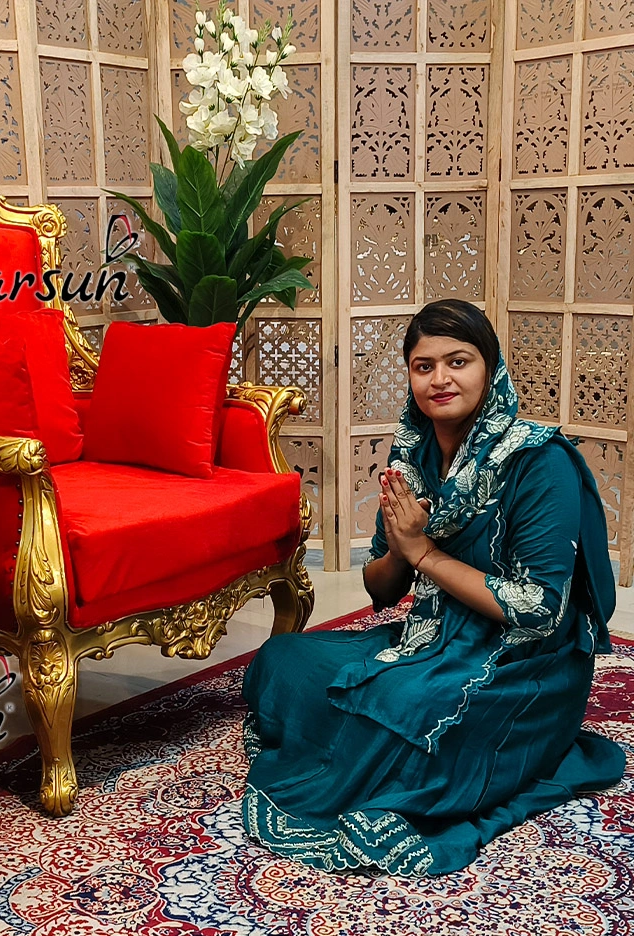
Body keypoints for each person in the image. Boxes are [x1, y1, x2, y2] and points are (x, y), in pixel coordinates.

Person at [242, 299, 625, 875]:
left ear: (490, 368)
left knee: (404, 704)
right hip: (433, 635)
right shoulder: (413, 455)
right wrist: (401, 548)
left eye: (458, 361)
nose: (440, 379)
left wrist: (425, 551)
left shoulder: (538, 462)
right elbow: (380, 589)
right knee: (283, 660)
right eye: (424, 367)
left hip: (524, 662)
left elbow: (539, 609)